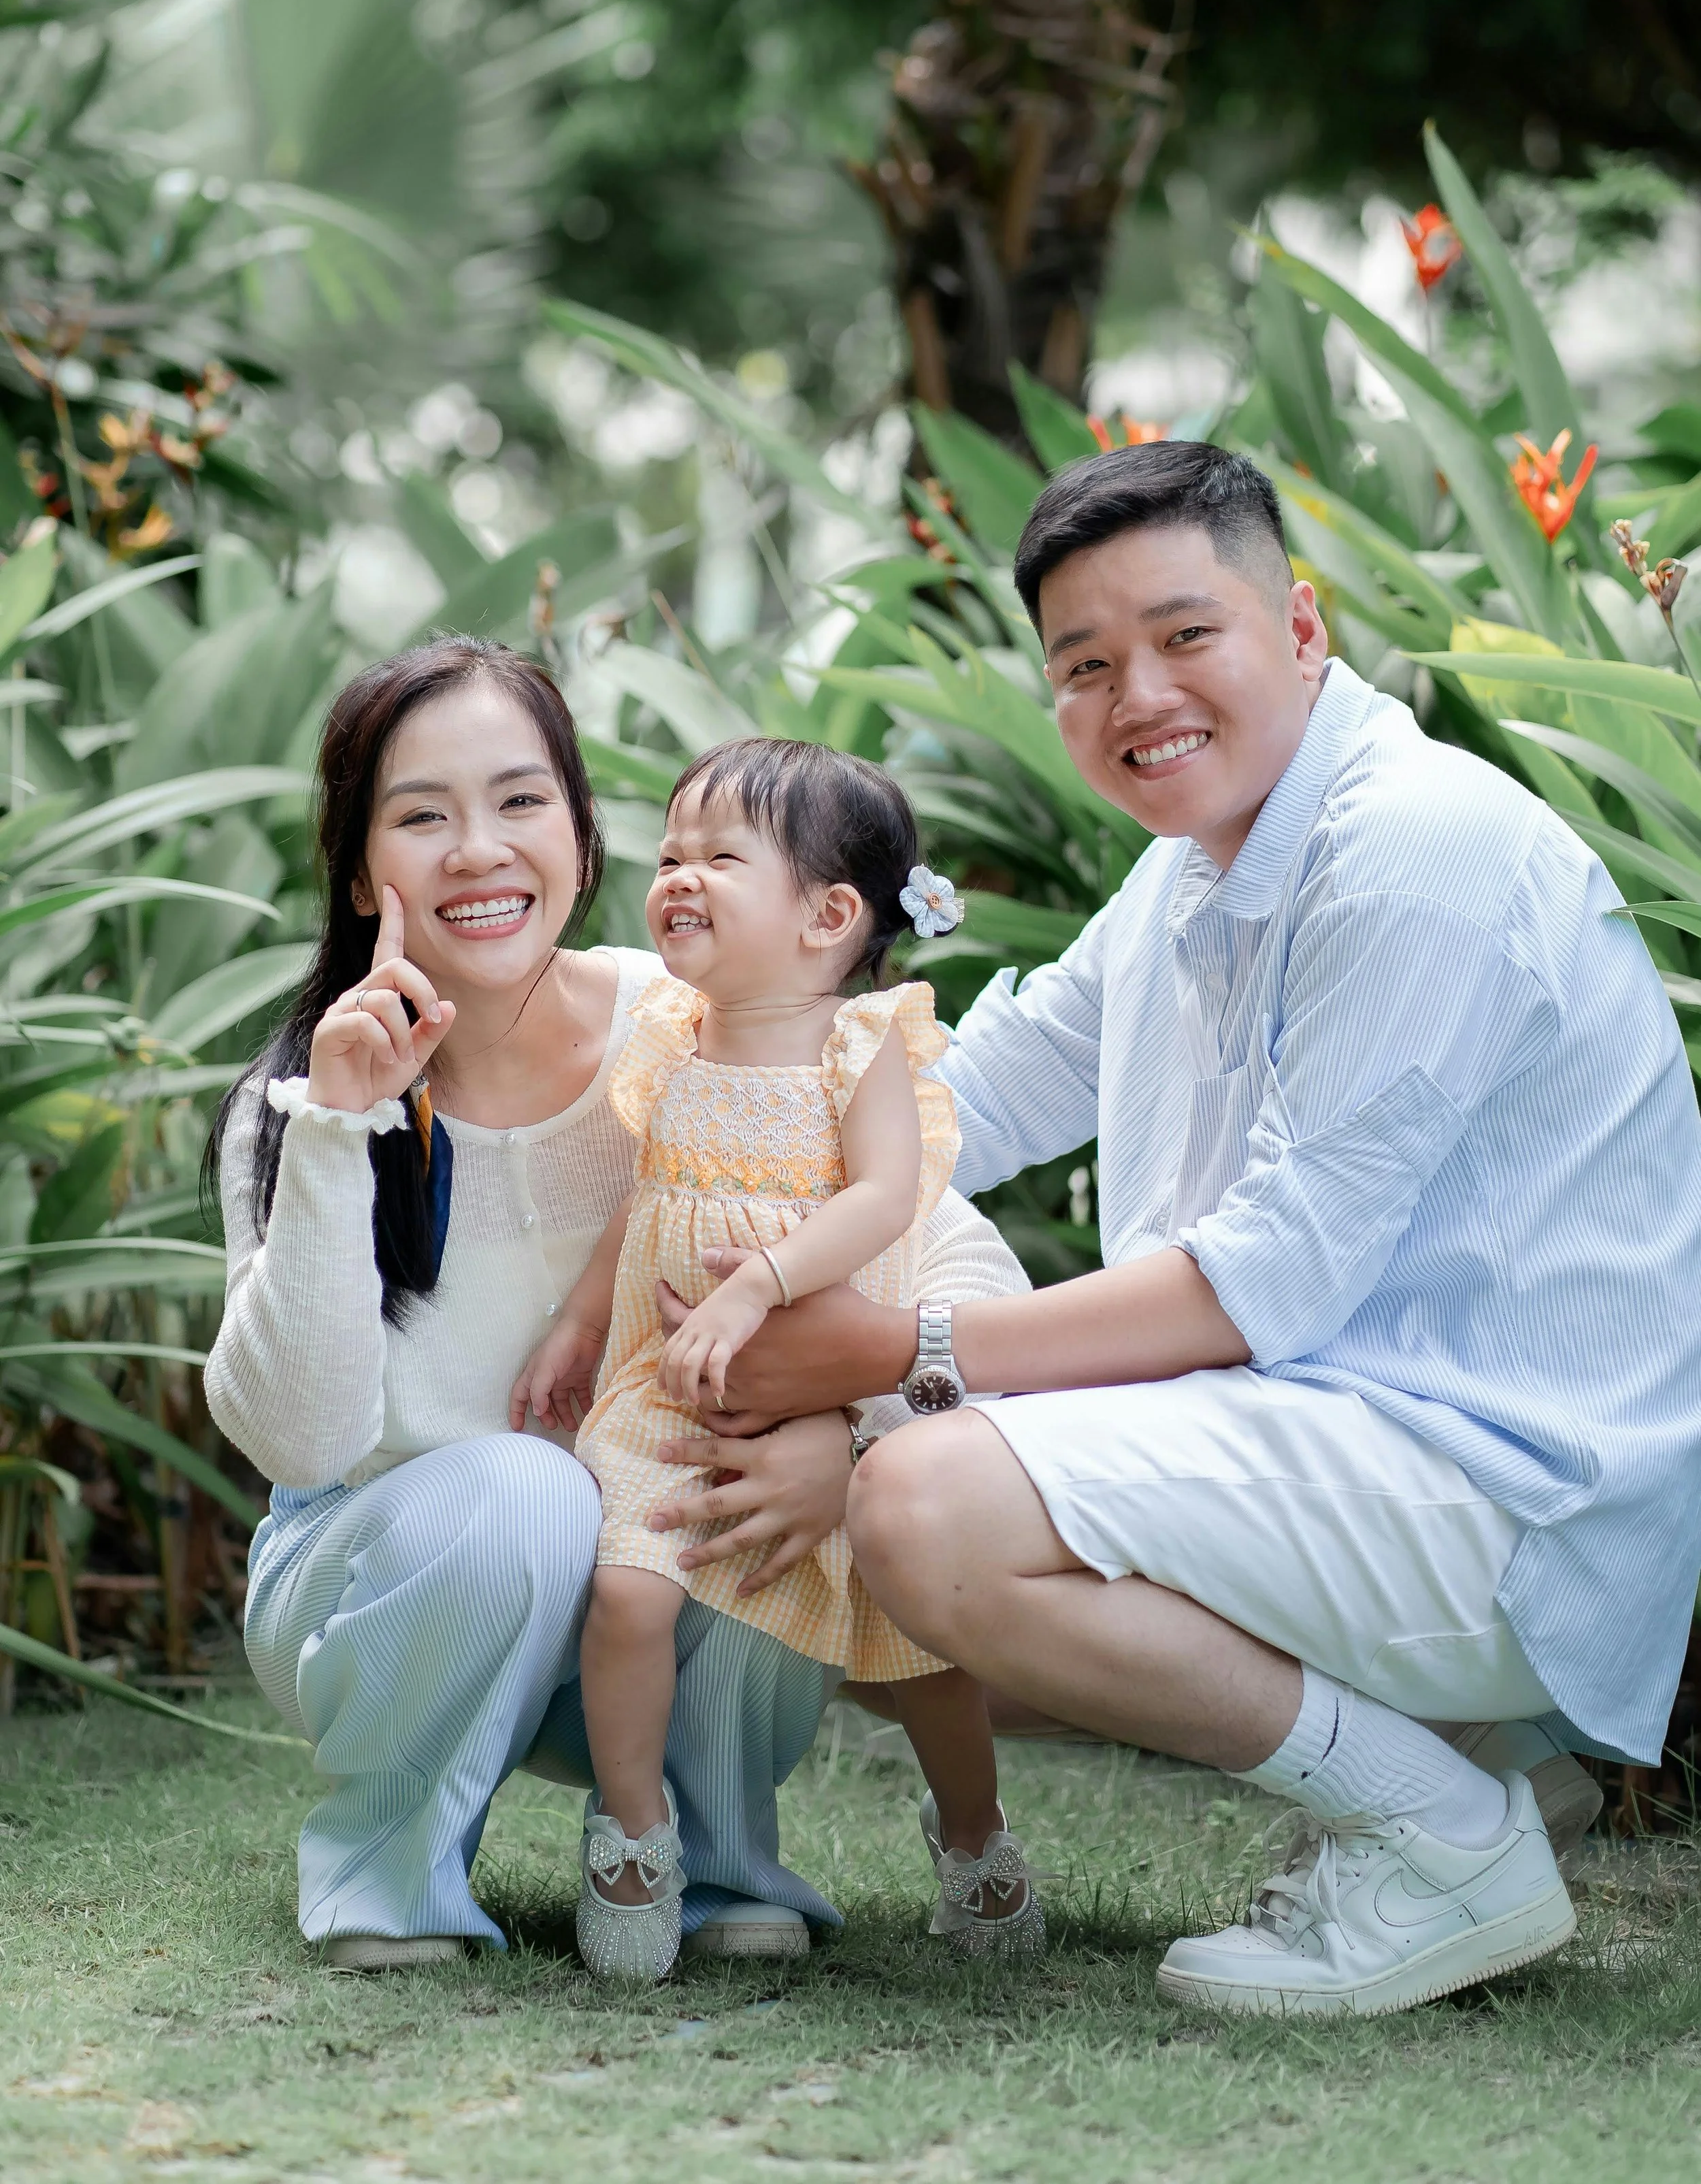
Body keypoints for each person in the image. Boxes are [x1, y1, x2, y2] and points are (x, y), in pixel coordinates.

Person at [687, 440, 1701, 2018]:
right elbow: (975, 1098)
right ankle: (1456, 1760)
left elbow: (1260, 1282)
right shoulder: (1193, 871)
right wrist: (699, 1206)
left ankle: (1441, 1829)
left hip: (1512, 1498)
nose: (1134, 695)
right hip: (1371, 1453)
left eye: (1181, 636)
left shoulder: (1412, 846)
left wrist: (899, 1353)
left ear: (1297, 627)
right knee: (873, 1513)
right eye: (1084, 666)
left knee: (926, 1513)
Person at [203, 639, 1030, 1971]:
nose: (478, 851)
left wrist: (853, 1433)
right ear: (362, 872)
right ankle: (387, 1872)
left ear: (580, 838)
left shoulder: (705, 1021)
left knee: (733, 1463)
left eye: (519, 802)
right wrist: (341, 1132)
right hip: (397, 1595)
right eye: (422, 817)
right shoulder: (309, 1092)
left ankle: (708, 1862)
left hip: (653, 1578)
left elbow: (952, 1266)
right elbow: (295, 1443)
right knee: (536, 1491)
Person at [514, 740, 1042, 1979]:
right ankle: (635, 1829)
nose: (678, 877)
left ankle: (972, 1832)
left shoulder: (864, 1048)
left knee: (930, 1653)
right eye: (670, 855)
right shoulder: (672, 1033)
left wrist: (759, 1282)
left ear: (830, 915)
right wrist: (581, 1319)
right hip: (672, 1384)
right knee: (632, 1590)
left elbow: (886, 1200)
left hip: (824, 1380)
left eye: (718, 857)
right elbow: (645, 1194)